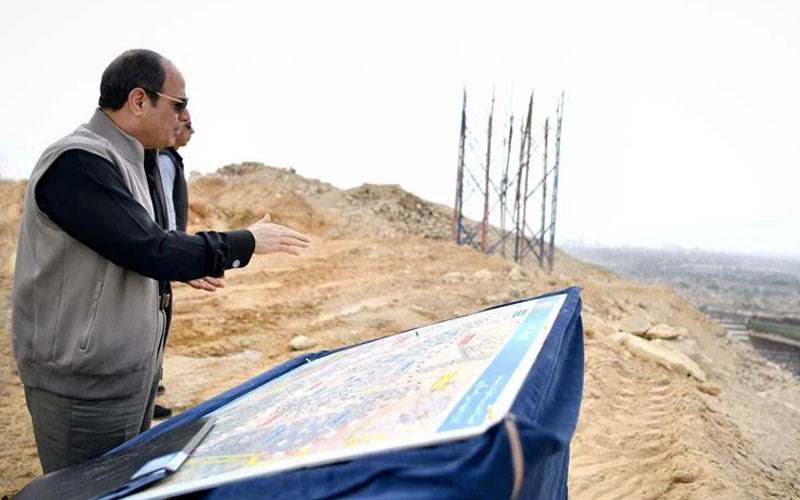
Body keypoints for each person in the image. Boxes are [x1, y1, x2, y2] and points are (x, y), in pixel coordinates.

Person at [11, 48, 311, 473]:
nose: (184, 117)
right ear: (138, 100)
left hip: (127, 374)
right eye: (179, 104)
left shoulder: (136, 159)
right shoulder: (79, 161)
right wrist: (245, 243)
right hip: (84, 386)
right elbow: (147, 247)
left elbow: (140, 246)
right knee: (90, 490)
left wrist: (182, 265)